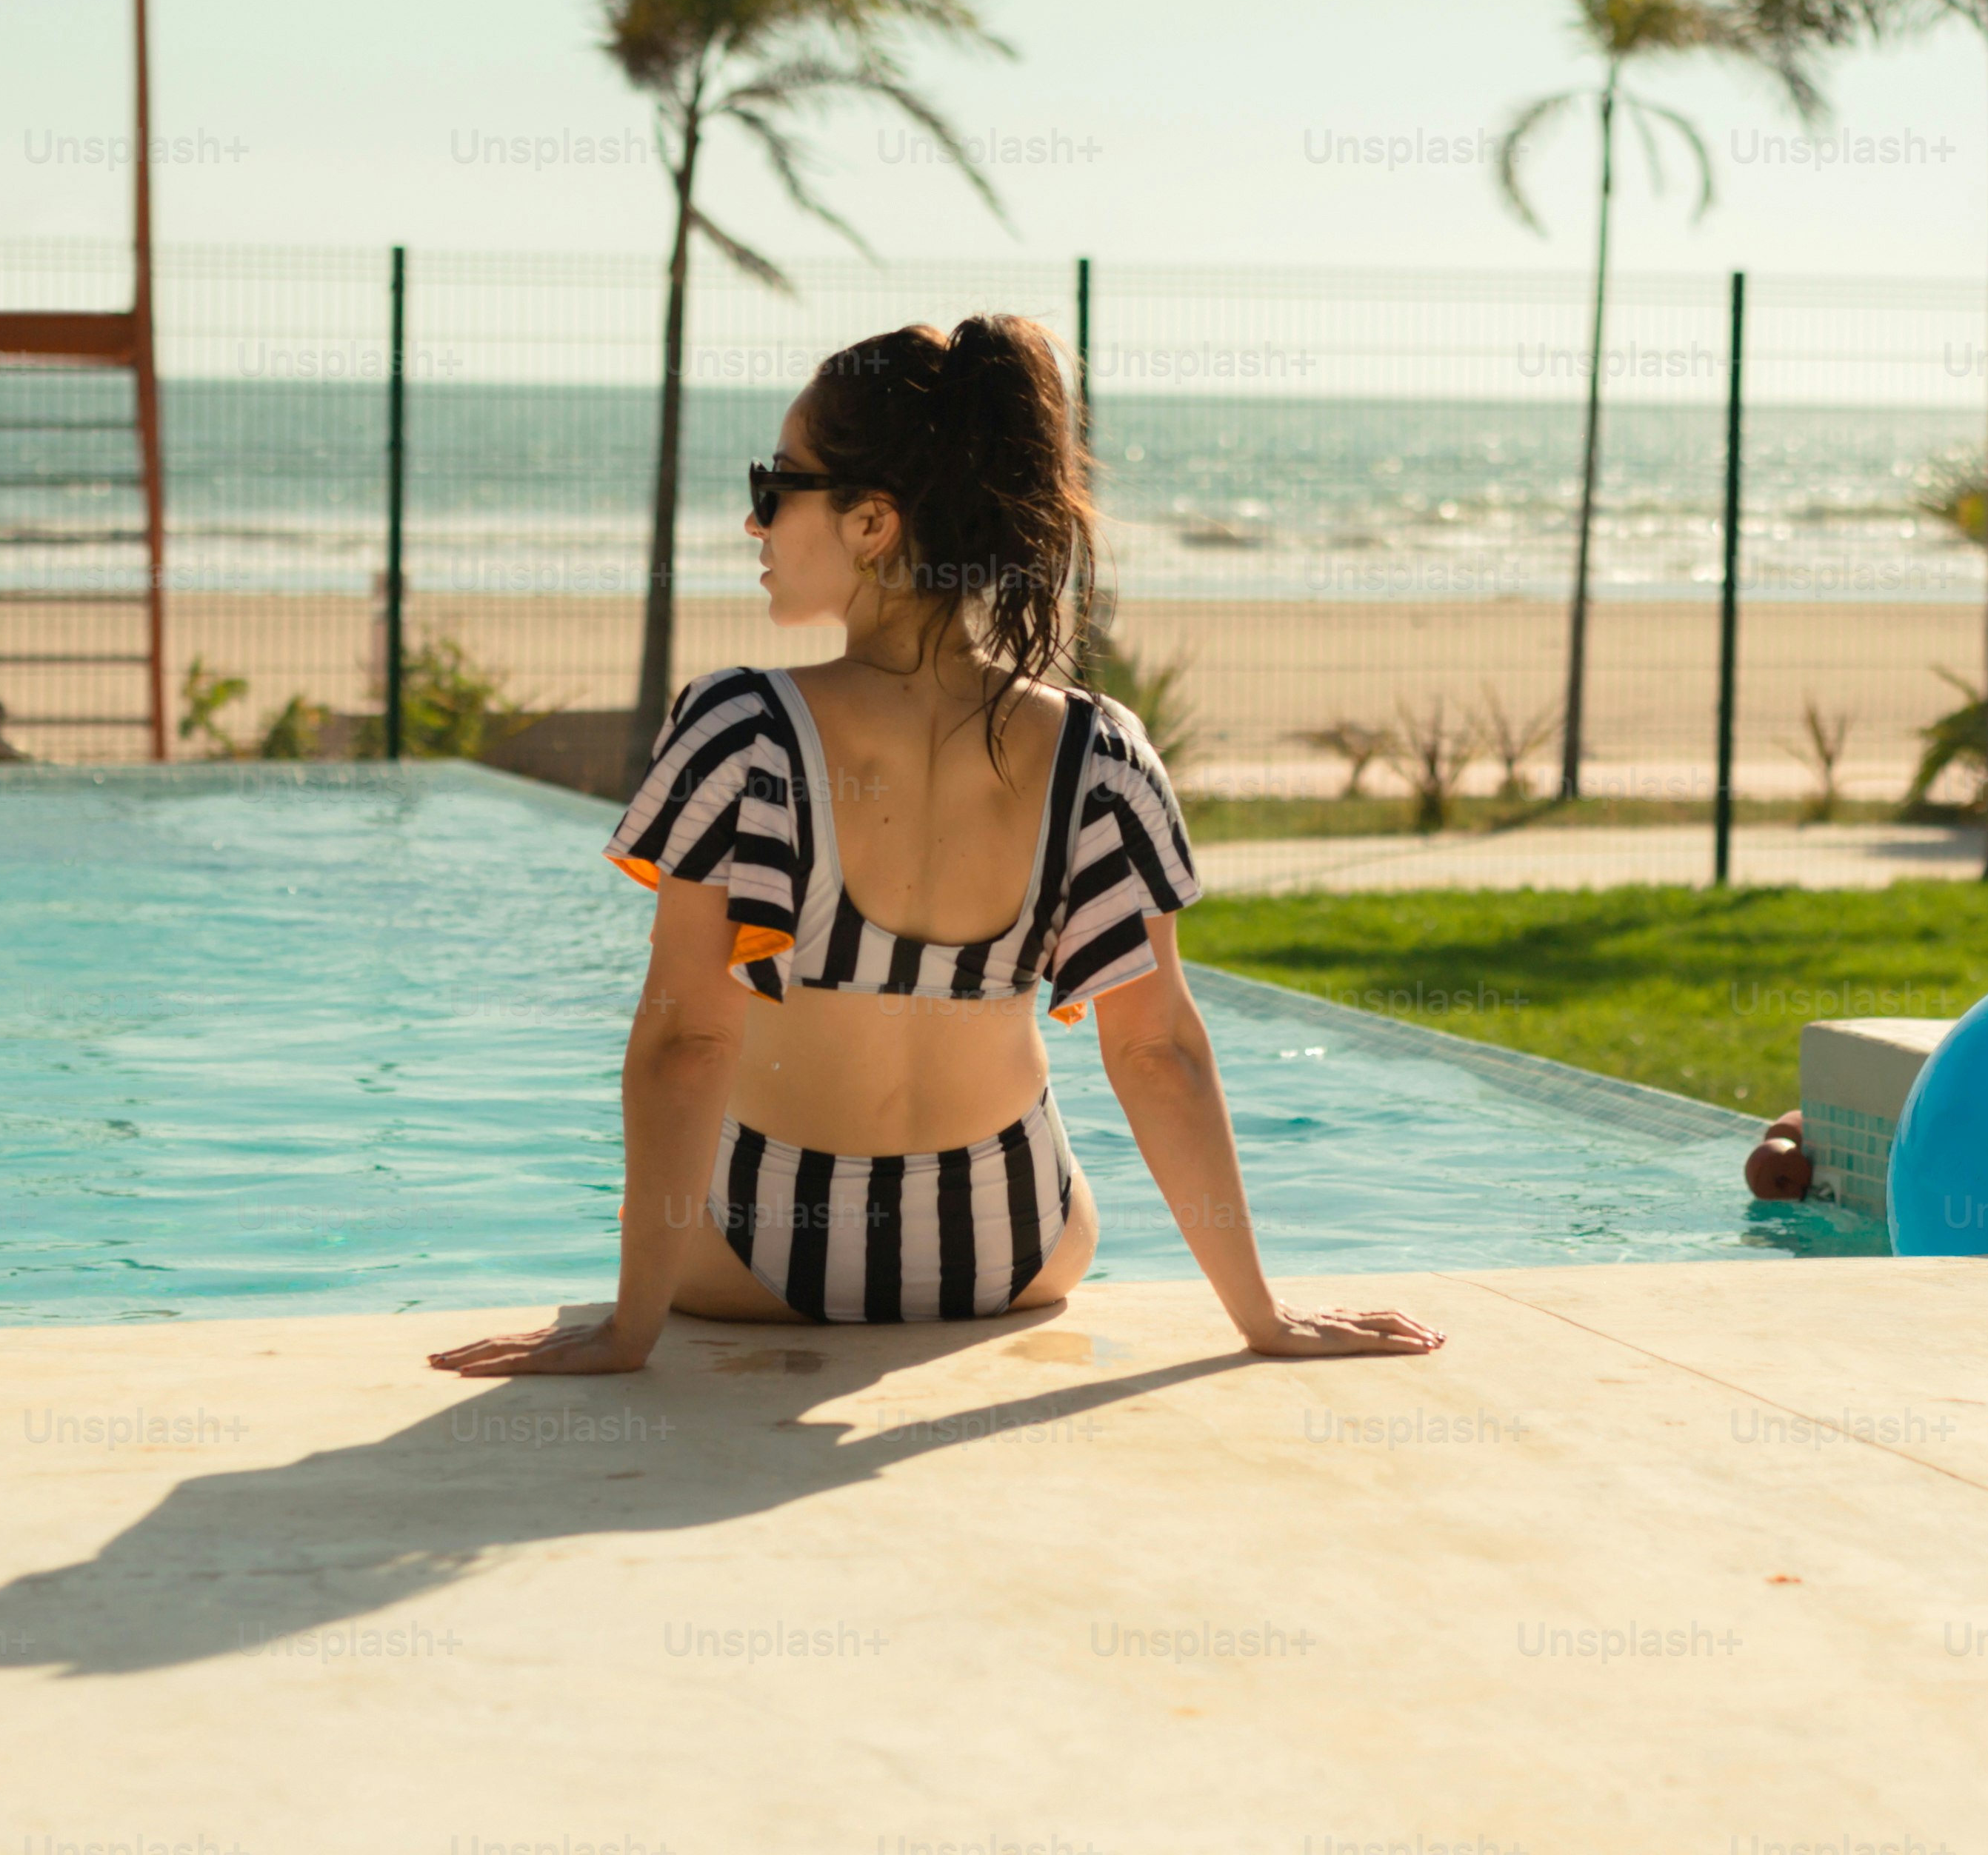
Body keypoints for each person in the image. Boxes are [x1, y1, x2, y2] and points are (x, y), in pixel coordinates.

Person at [429, 315, 1443, 1370]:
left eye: (775, 486)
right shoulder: (1101, 752)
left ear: (872, 521)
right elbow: (1159, 1052)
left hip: (757, 1260)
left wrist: (628, 1331)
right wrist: (1264, 1318)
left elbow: (688, 1044)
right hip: (1014, 1249)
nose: (753, 520)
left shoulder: (743, 732)